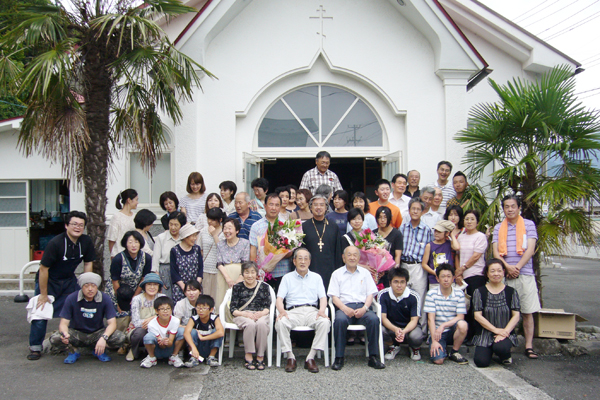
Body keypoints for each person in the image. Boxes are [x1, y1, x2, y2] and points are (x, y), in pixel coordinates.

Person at [27, 210, 95, 361]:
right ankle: (35, 347)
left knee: (80, 307)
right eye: (74, 224)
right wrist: (44, 294)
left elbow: (88, 263)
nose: (77, 227)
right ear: (66, 225)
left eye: (81, 225)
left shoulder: (86, 241)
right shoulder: (55, 243)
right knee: (40, 311)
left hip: (69, 280)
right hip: (49, 280)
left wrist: (87, 285)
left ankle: (80, 342)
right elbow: (44, 269)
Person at [492, 194, 540, 360]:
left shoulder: (528, 225)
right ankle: (505, 345)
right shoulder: (499, 227)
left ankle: (528, 346)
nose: (510, 209)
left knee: (527, 311)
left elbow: (530, 249)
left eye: (513, 206)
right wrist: (507, 267)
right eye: (506, 206)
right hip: (505, 274)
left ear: (519, 207)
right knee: (505, 312)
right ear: (503, 208)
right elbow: (495, 252)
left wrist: (517, 268)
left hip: (524, 273)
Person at [328, 246, 385, 371]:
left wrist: (365, 308)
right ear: (343, 257)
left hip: (362, 308)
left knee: (374, 319)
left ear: (359, 258)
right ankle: (339, 357)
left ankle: (374, 357)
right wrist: (344, 308)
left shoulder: (365, 273)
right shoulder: (336, 274)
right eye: (349, 255)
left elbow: (371, 294)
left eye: (355, 255)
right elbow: (334, 296)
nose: (352, 257)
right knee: (339, 321)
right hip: (344, 308)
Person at [49, 272, 126, 363]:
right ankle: (73, 351)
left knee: (120, 337)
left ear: (97, 286)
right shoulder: (72, 298)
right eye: (86, 286)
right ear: (81, 287)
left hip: (97, 333)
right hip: (77, 333)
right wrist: (65, 334)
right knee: (56, 338)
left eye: (93, 286)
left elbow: (112, 323)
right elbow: (63, 323)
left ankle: (99, 351)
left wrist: (104, 338)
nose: (90, 289)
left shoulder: (105, 298)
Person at [275, 248, 330, 373]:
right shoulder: (287, 278)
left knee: (325, 322)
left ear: (310, 261)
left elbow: (323, 297)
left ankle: (310, 357)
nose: (303, 261)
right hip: (293, 312)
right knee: (281, 322)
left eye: (306, 258)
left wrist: (322, 311)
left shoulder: (316, 277)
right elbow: (279, 298)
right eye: (300, 258)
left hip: (312, 311)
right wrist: (282, 311)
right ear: (294, 261)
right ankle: (290, 357)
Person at [473, 259, 521, 367]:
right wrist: (495, 330)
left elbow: (516, 315)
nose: (496, 274)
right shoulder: (479, 291)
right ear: (487, 273)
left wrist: (504, 332)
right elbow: (477, 315)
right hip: (486, 333)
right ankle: (489, 351)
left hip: (505, 332)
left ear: (504, 272)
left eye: (499, 271)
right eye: (492, 271)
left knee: (500, 347)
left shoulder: (511, 292)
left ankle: (505, 355)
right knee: (481, 362)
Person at [423, 264, 469, 365]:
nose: (446, 279)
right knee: (438, 360)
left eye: (449, 276)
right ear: (437, 278)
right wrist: (434, 340)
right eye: (443, 276)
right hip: (437, 333)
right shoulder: (431, 294)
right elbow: (431, 319)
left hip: (452, 330)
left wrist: (444, 325)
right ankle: (440, 349)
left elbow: (460, 316)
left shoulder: (459, 294)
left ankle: (454, 352)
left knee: (463, 324)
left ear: (453, 278)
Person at [230, 261, 272, 370]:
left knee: (262, 324)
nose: (250, 275)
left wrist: (261, 313)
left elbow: (268, 306)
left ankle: (260, 356)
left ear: (257, 273)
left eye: (252, 272)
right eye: (247, 272)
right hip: (243, 314)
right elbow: (233, 309)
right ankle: (248, 355)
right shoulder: (237, 287)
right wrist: (244, 314)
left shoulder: (264, 287)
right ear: (242, 274)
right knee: (250, 324)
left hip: (260, 314)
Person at [399, 198, 432, 328]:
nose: (415, 211)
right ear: (409, 210)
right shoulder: (402, 228)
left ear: (422, 211)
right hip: (404, 265)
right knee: (403, 296)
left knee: (420, 297)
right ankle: (404, 328)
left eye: (418, 209)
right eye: (413, 208)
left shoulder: (427, 230)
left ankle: (421, 329)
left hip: (419, 266)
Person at [250, 193, 293, 293]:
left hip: (282, 272)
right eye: (271, 204)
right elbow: (253, 251)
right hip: (263, 273)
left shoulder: (286, 226)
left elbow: (290, 252)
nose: (274, 208)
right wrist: (254, 271)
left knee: (281, 302)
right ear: (265, 206)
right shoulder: (256, 226)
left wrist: (277, 254)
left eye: (277, 205)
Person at [456, 209, 488, 342]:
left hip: (476, 275)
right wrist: (458, 271)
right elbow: (457, 254)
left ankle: (476, 335)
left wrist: (463, 268)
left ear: (477, 221)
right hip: (462, 276)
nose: (469, 221)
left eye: (472, 219)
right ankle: (466, 335)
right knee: (464, 306)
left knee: (476, 306)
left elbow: (476, 256)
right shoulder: (461, 236)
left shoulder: (480, 236)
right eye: (467, 219)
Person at [380, 267, 423, 362]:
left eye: (402, 282)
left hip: (409, 328)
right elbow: (383, 318)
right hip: (392, 328)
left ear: (406, 283)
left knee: (416, 336)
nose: (399, 285)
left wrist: (404, 332)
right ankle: (393, 346)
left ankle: (414, 348)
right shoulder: (383, 294)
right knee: (380, 329)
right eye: (396, 282)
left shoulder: (414, 296)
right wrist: (395, 329)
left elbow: (414, 320)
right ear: (390, 282)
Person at [106, 231, 152, 317]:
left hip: (138, 287)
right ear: (125, 244)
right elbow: (115, 281)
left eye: (136, 242)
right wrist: (119, 300)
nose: (133, 245)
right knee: (121, 314)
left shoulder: (147, 258)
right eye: (130, 242)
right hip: (119, 289)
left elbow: (143, 279)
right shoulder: (118, 259)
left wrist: (135, 297)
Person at [302, 194, 343, 291]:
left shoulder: (333, 227)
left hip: (330, 269)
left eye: (321, 205)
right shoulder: (304, 227)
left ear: (326, 208)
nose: (318, 207)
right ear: (311, 207)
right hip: (311, 268)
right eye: (315, 205)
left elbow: (338, 251)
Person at [127, 273, 165, 361]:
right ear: (144, 286)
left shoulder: (162, 298)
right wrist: (156, 319)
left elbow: (167, 316)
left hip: (158, 327)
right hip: (141, 327)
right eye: (149, 284)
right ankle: (133, 350)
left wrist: (152, 319)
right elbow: (136, 322)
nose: (152, 287)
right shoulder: (137, 299)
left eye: (155, 284)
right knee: (139, 333)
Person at [140, 297, 186, 368]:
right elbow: (161, 345)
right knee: (148, 337)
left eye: (168, 308)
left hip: (170, 347)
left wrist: (167, 341)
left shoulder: (175, 321)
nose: (165, 311)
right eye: (162, 309)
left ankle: (174, 356)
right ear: (156, 311)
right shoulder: (152, 324)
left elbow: (170, 343)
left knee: (182, 331)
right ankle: (152, 358)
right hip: (157, 348)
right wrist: (162, 342)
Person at [216, 218, 250, 312]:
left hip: (240, 274)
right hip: (224, 275)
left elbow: (245, 263)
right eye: (225, 228)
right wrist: (227, 278)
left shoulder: (245, 243)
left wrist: (240, 278)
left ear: (237, 230)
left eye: (229, 228)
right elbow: (219, 263)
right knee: (222, 300)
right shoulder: (220, 244)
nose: (227, 231)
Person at [183, 295, 224, 367]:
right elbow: (186, 333)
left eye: (204, 308)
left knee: (216, 331)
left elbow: (221, 332)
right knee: (191, 332)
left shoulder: (214, 318)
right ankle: (193, 358)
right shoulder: (194, 318)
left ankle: (211, 357)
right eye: (198, 308)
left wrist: (203, 338)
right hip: (196, 348)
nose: (201, 310)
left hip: (209, 346)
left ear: (211, 309)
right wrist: (193, 348)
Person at [152, 211, 186, 299]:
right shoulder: (161, 238)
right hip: (165, 272)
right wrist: (158, 280)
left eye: (176, 225)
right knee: (166, 300)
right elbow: (155, 261)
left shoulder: (184, 238)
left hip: (180, 272)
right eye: (171, 224)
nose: (173, 227)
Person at [197, 208, 226, 300]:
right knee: (206, 296)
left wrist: (214, 235)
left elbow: (222, 249)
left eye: (213, 219)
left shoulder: (225, 232)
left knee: (217, 297)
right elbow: (199, 249)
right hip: (206, 269)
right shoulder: (203, 231)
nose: (210, 221)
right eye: (208, 218)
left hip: (219, 269)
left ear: (220, 220)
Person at [170, 224, 203, 303]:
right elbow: (174, 272)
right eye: (193, 236)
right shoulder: (174, 250)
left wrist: (196, 287)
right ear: (185, 237)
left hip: (195, 286)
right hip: (180, 287)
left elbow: (200, 268)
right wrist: (185, 288)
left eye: (195, 236)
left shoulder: (197, 248)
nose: (195, 239)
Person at [422, 220, 459, 290]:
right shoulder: (430, 245)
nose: (436, 233)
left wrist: (451, 235)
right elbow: (424, 264)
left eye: (439, 232)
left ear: (446, 233)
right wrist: (436, 273)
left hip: (449, 279)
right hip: (434, 280)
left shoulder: (449, 244)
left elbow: (457, 247)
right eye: (435, 231)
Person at [108, 188, 138, 257]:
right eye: (136, 200)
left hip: (132, 255)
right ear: (129, 200)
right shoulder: (117, 217)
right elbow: (112, 239)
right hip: (119, 254)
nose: (137, 202)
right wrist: (112, 256)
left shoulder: (135, 216)